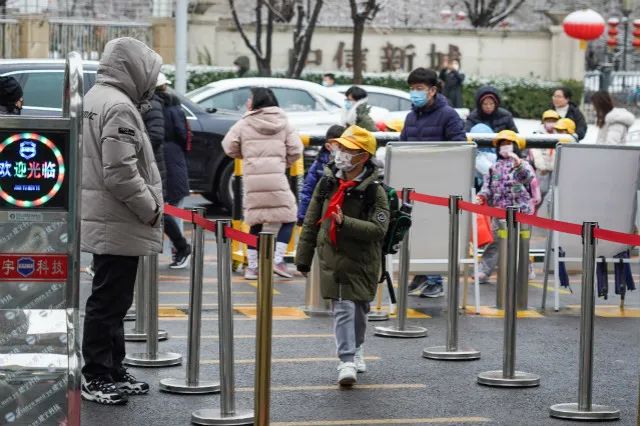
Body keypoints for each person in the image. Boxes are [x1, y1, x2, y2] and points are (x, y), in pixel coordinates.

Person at [81, 37, 163, 405]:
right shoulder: (119, 107)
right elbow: (121, 172)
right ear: (134, 69)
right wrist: (151, 209)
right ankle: (97, 375)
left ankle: (113, 368)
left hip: (105, 217)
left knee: (113, 298)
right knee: (109, 301)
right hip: (118, 218)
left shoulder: (95, 98)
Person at [295, 125, 389, 386]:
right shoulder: (326, 183)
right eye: (341, 148)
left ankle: (358, 348)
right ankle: (346, 360)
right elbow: (312, 219)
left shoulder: (374, 190)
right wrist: (302, 258)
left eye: (349, 149)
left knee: (359, 309)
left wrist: (345, 222)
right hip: (332, 260)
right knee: (343, 308)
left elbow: (379, 230)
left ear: (363, 156)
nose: (341, 154)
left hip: (362, 261)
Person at [222, 87, 303, 279]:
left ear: (256, 102)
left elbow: (229, 146)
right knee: (289, 217)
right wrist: (284, 162)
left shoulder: (245, 122)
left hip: (252, 178)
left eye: (250, 98)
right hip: (277, 175)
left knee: (254, 221)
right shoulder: (284, 122)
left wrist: (245, 156)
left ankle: (252, 266)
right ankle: (278, 260)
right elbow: (296, 149)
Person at [401, 67, 465, 297]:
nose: (414, 93)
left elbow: (461, 148)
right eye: (411, 89)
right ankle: (421, 273)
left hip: (439, 184)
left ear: (432, 91)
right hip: (414, 185)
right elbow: (402, 148)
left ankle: (435, 279)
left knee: (433, 231)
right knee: (415, 229)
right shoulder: (410, 117)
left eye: (419, 89)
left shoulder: (448, 115)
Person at [476, 130, 535, 283]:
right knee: (495, 242)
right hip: (499, 211)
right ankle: (484, 270)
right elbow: (487, 186)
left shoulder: (524, 164)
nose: (505, 147)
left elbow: (527, 178)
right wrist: (482, 196)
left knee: (521, 241)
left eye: (508, 143)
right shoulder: (493, 167)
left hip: (520, 210)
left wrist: (518, 164)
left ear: (515, 146)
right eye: (502, 144)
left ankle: (525, 269)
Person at [156, 73, 192, 268]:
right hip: (176, 161)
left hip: (163, 162)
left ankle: (180, 250)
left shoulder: (152, 107)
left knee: (166, 210)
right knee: (174, 210)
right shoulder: (175, 107)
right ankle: (178, 251)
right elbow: (183, 134)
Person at [297, 124, 345, 226]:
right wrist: (302, 216)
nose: (341, 149)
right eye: (338, 145)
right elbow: (308, 190)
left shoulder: (348, 163)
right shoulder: (319, 164)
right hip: (321, 214)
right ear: (328, 146)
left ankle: (253, 240)